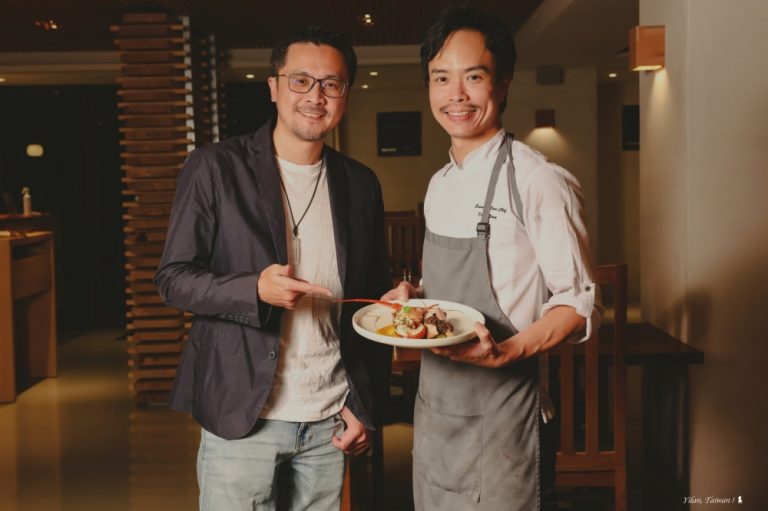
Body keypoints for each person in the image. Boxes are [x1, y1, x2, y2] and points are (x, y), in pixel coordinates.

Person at [155, 26, 392, 511]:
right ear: (274, 87)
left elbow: (369, 301)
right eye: (300, 80)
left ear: (345, 95)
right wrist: (254, 289)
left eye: (331, 84)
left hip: (329, 415)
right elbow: (173, 279)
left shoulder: (361, 183)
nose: (315, 96)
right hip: (243, 413)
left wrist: (365, 405)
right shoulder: (215, 168)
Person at [382, 7, 602, 510]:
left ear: (502, 84)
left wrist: (507, 352)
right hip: (436, 415)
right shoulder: (439, 184)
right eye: (441, 78)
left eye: (474, 77)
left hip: (506, 419)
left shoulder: (537, 179)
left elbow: (579, 304)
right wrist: (414, 298)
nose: (455, 95)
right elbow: (449, 295)